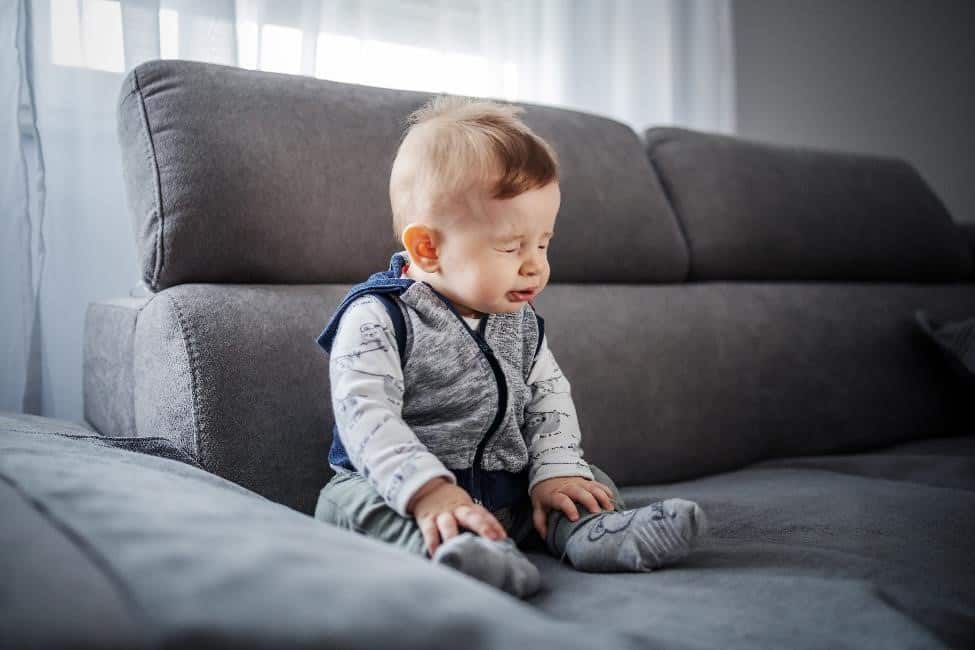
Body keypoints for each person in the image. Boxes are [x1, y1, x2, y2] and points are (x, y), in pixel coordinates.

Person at [313, 94, 708, 598]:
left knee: (583, 479)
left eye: (543, 242)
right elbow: (365, 415)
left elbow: (548, 397)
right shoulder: (377, 318)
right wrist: (430, 492)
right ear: (428, 248)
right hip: (397, 488)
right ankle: (462, 555)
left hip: (504, 488)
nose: (535, 265)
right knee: (353, 508)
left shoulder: (518, 320)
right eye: (510, 247)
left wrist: (556, 472)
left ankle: (591, 532)